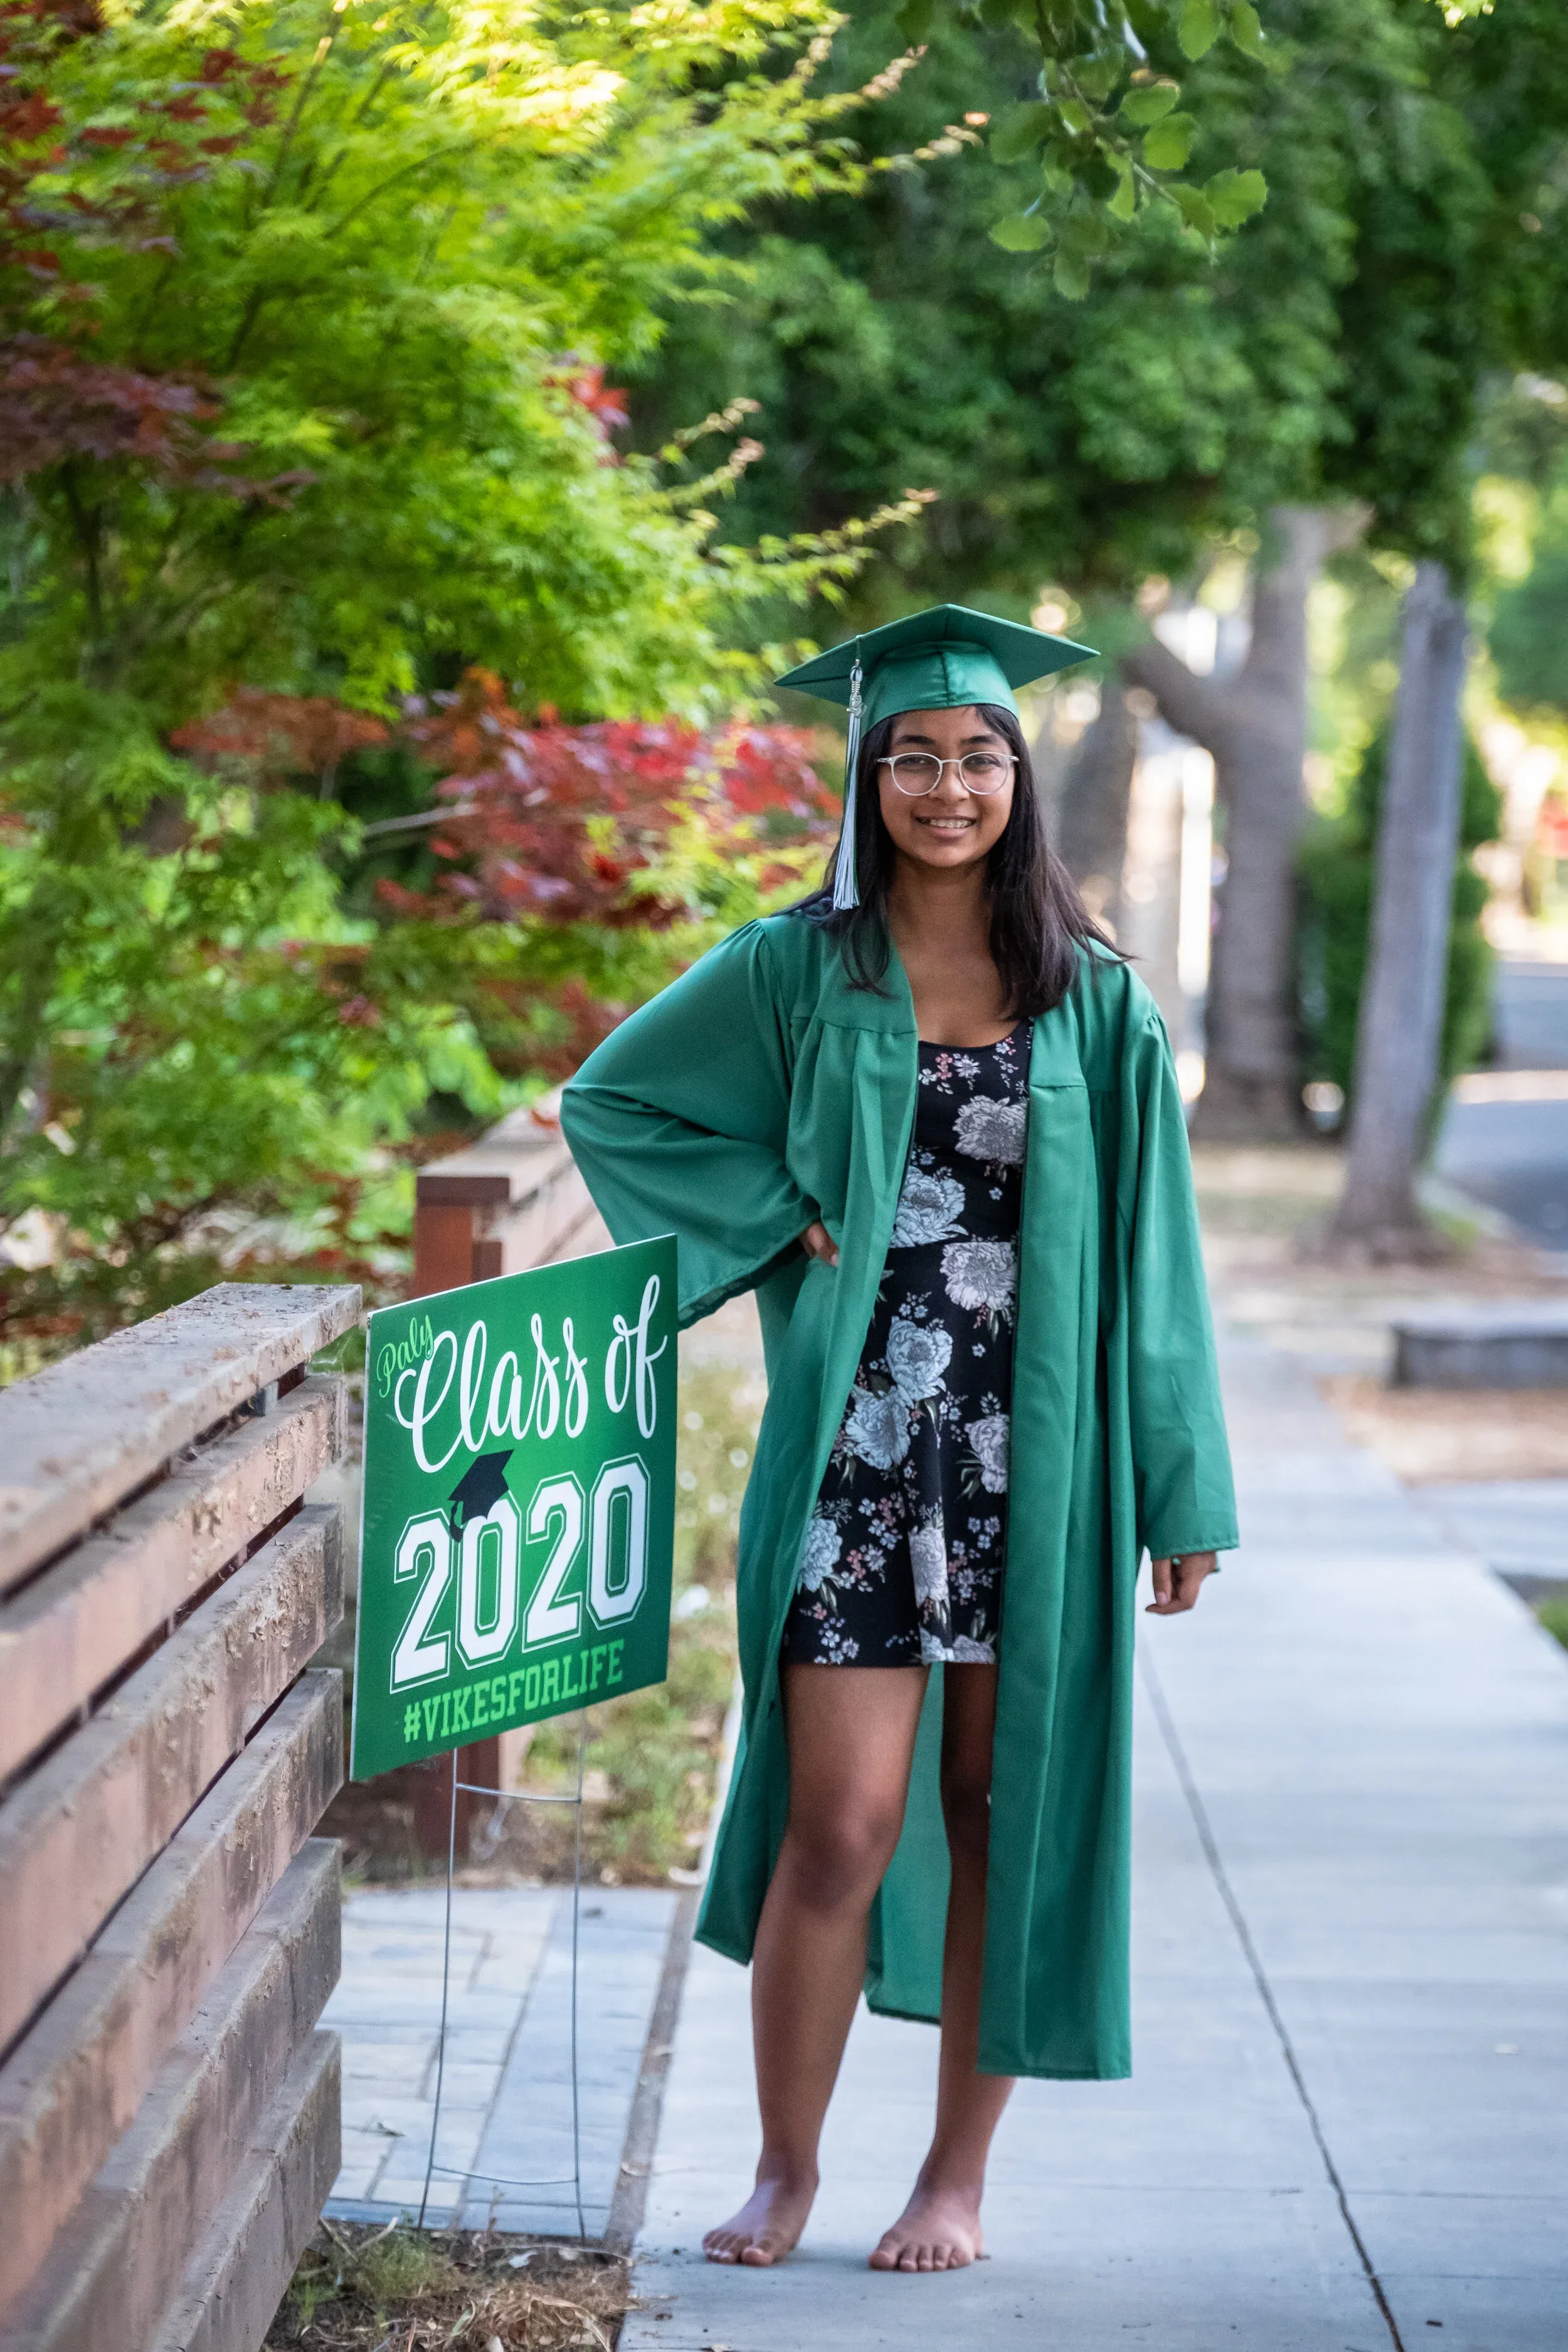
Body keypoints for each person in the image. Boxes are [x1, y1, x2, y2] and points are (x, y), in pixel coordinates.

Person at [561, 605, 1237, 2275]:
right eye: (915, 757)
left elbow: (1155, 1264)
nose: (948, 784)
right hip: (858, 1456)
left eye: (978, 756)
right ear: (868, 779)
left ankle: (952, 2179)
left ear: (1020, 779)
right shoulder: (795, 968)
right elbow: (613, 1101)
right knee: (841, 1818)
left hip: (1040, 1462)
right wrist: (777, 1207)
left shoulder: (1095, 1005)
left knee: (997, 1802)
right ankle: (784, 2167)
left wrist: (1179, 1481)